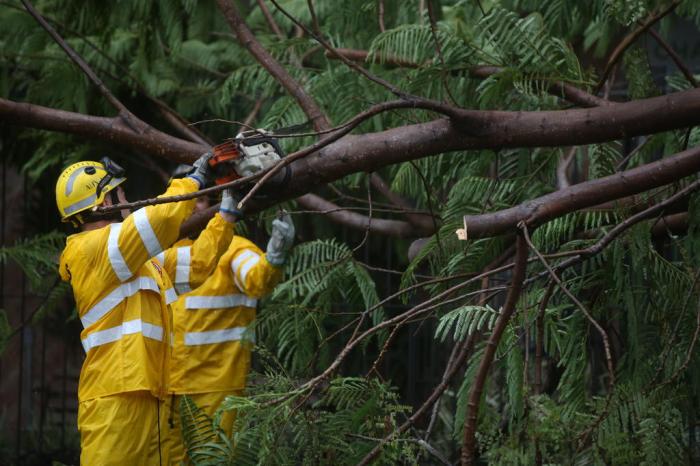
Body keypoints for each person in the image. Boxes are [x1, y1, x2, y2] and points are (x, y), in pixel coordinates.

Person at [56, 153, 213, 465]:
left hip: (155, 397)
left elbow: (198, 265)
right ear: (103, 203)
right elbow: (161, 220)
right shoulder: (93, 249)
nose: (126, 198)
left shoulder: (136, 259)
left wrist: (226, 215)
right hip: (118, 404)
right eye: (120, 191)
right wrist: (192, 180)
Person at [166, 206, 296, 463]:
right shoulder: (170, 252)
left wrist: (276, 253)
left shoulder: (234, 249)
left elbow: (257, 278)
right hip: (168, 388)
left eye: (201, 198)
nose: (193, 207)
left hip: (216, 387)